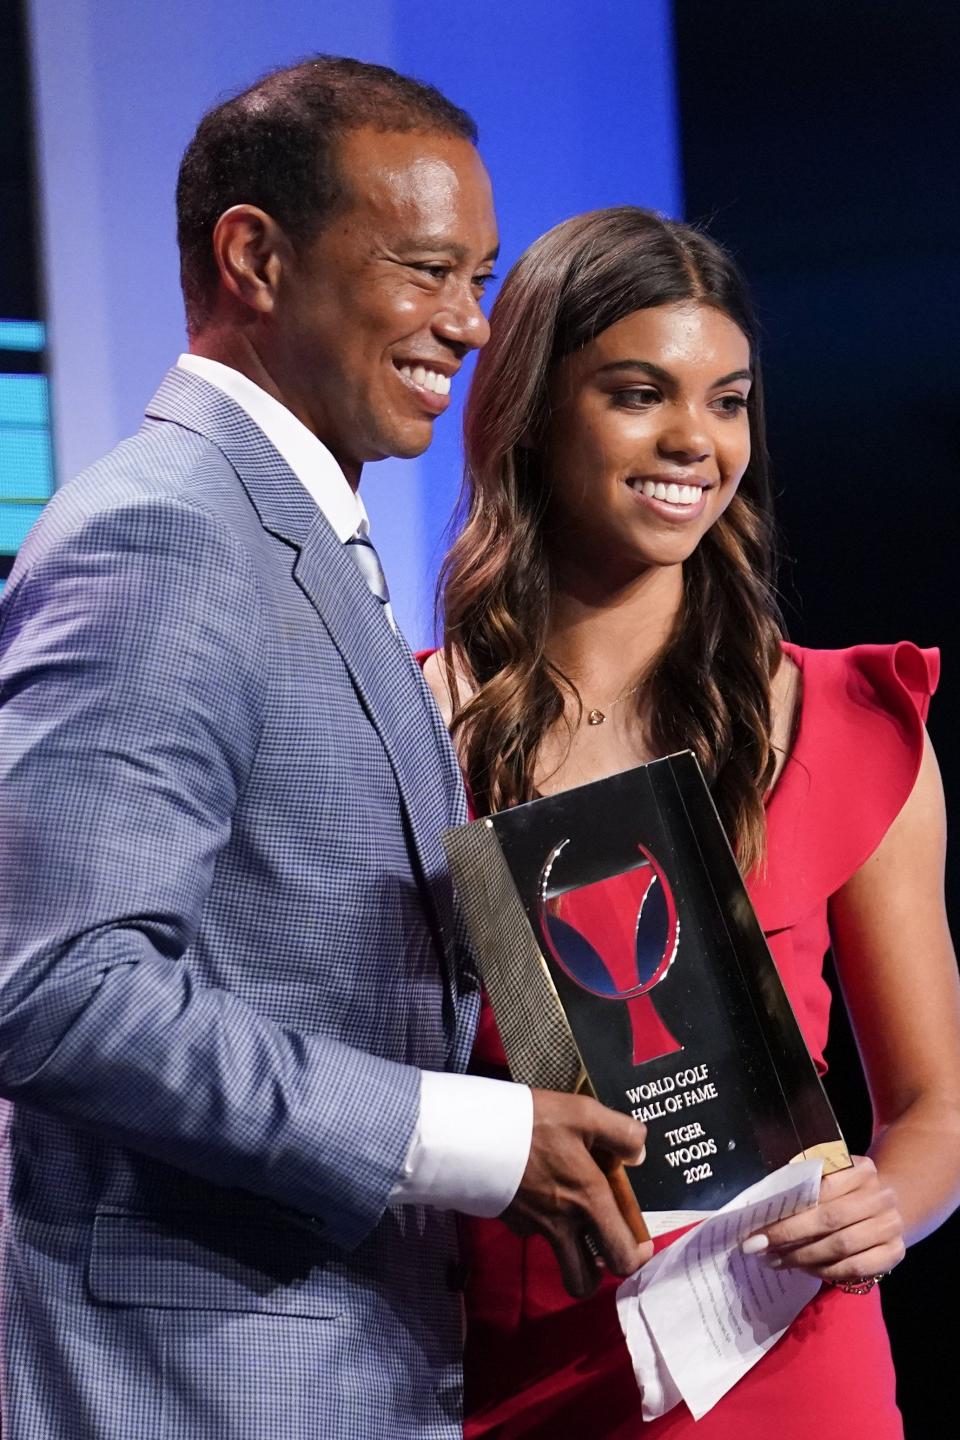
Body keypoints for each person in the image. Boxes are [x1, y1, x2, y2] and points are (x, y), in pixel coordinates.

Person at [0, 64, 651, 1440]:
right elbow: (55, 986)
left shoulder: (298, 540)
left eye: (478, 276)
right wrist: (471, 1141)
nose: (469, 326)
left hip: (343, 1364)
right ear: (254, 255)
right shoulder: (167, 535)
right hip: (200, 1385)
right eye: (427, 270)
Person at [424, 206, 960, 1438]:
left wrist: (888, 1205)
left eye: (729, 401)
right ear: (532, 410)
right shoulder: (400, 728)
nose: (694, 441)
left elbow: (933, 1113)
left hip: (792, 1368)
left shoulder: (845, 723)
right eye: (638, 392)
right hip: (509, 1382)